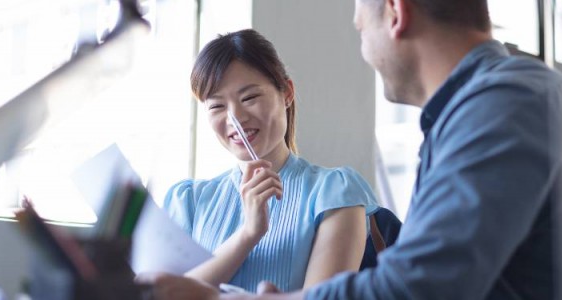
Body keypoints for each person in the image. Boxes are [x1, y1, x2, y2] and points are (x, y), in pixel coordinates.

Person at [147, 0, 562, 299]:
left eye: (359, 28)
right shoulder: (463, 118)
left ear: (395, 11)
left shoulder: (501, 101)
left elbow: (415, 286)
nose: (364, 51)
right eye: (217, 105)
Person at [135, 29, 380, 293]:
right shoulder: (188, 201)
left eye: (249, 98)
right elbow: (157, 295)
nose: (235, 119)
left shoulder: (335, 192)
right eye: (217, 106)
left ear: (286, 93)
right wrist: (248, 234)